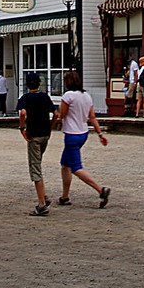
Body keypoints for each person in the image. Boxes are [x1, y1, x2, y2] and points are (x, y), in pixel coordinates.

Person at [53, 71, 110, 208]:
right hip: (83, 133)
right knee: (65, 165)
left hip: (71, 134)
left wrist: (54, 121)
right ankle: (64, 196)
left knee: (76, 168)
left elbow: (63, 114)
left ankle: (100, 189)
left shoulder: (68, 96)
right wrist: (100, 133)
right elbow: (92, 117)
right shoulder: (86, 96)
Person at [17, 74, 55, 216]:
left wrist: (22, 128)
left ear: (26, 85)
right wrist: (51, 127)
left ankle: (41, 204)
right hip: (45, 133)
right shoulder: (45, 97)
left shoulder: (25, 98)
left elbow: (23, 113)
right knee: (38, 162)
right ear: (39, 84)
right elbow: (55, 113)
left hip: (34, 135)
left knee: (35, 167)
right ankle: (43, 195)